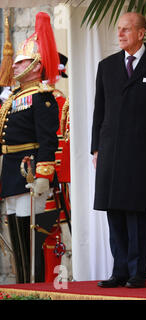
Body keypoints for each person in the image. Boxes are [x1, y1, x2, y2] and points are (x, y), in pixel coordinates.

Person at [92, 12, 146, 289]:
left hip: (143, 152)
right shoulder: (106, 66)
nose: (120, 34)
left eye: (126, 30)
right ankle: (118, 271)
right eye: (119, 30)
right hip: (110, 151)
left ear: (141, 33)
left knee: (137, 213)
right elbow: (99, 111)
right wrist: (95, 148)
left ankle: (137, 273)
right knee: (114, 211)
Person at [0, 12, 60, 283]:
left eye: (21, 61)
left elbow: (48, 138)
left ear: (36, 66)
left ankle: (33, 285)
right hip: (11, 171)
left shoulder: (41, 96)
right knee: (15, 228)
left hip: (29, 170)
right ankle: (21, 283)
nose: (14, 66)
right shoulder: (13, 98)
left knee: (29, 231)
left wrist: (44, 174)